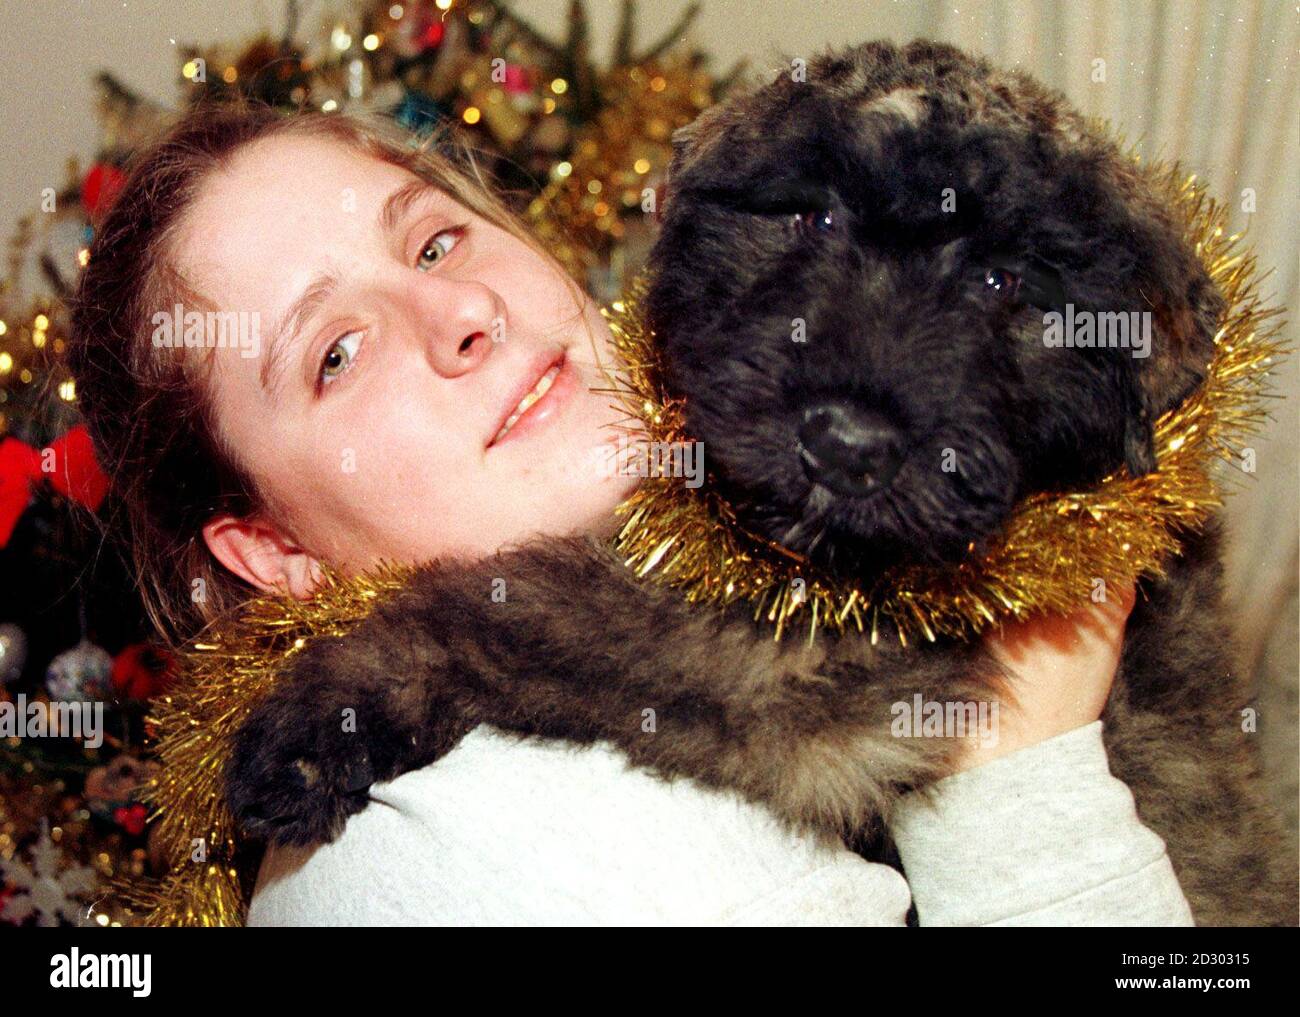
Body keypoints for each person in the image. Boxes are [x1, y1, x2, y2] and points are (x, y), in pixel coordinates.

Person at [67, 102, 1193, 926]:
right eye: (336, 353)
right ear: (276, 551)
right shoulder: (481, 855)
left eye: (433, 240)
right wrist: (1023, 792)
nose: (460, 312)